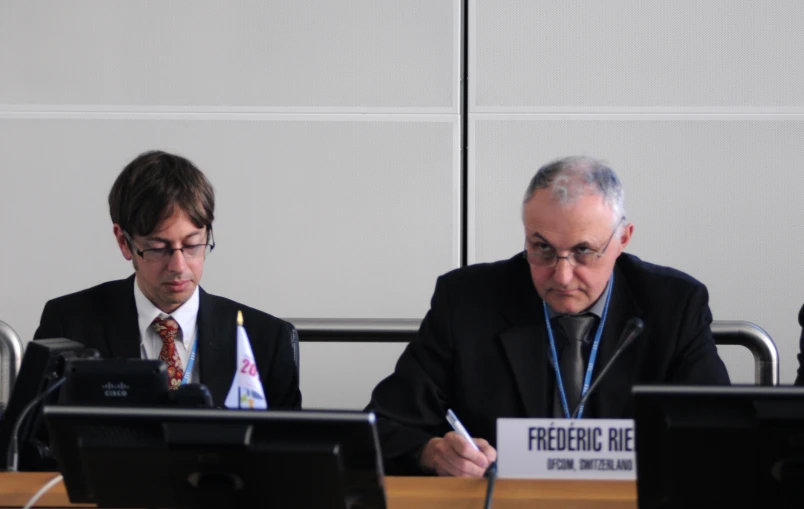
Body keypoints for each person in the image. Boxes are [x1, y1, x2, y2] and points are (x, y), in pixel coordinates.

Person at [367, 156, 730, 476]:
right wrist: (430, 453)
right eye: (542, 248)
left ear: (623, 239)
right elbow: (379, 428)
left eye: (584, 251)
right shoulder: (466, 302)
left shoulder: (674, 305)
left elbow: (719, 435)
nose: (562, 275)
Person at [34, 150, 301, 409]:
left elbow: (286, 450)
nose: (178, 266)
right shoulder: (67, 325)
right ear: (123, 242)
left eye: (193, 244)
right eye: (158, 248)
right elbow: (36, 445)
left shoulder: (265, 340)